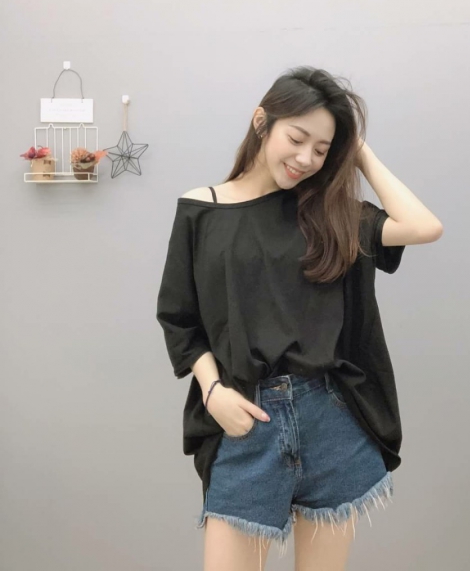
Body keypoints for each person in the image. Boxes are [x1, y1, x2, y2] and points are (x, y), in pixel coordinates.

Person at [156, 66, 443, 571]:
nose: (307, 158)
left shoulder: (332, 214)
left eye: (322, 148)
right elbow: (180, 319)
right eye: (297, 138)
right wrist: (212, 391)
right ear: (261, 121)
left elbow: (423, 226)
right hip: (246, 419)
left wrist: (357, 149)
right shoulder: (201, 210)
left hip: (330, 420)